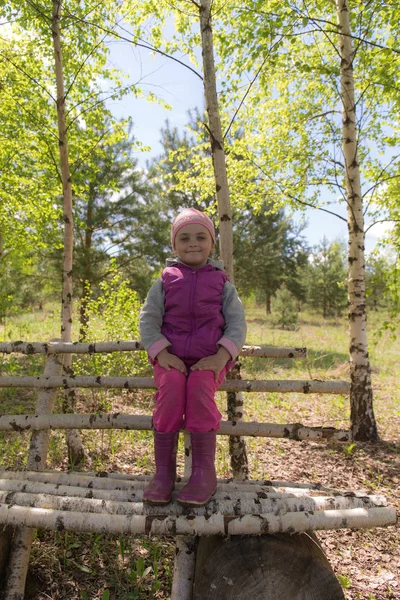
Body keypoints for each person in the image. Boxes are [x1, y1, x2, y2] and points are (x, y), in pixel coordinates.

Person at [139, 208, 246, 506]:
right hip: (170, 361)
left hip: (207, 361)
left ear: (212, 243)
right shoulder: (165, 280)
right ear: (174, 246)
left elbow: (237, 324)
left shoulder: (222, 283)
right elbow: (148, 320)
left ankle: (203, 473)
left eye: (201, 237)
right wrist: (161, 353)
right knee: (171, 392)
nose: (193, 243)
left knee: (200, 391)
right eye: (184, 238)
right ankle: (163, 473)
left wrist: (221, 357)